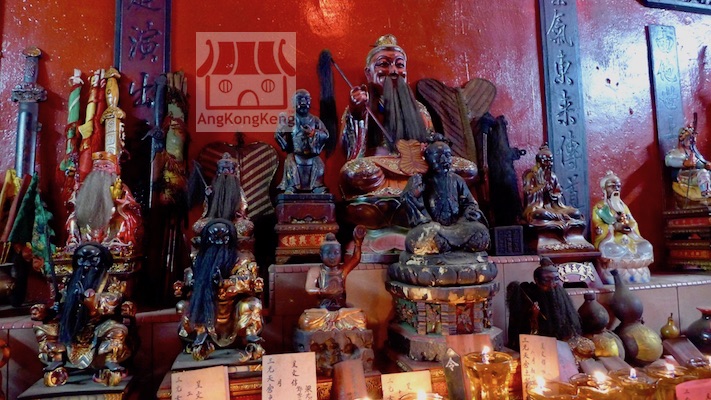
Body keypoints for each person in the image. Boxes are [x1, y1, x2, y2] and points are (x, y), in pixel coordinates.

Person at [339, 34, 477, 200]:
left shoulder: (419, 109)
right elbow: (353, 152)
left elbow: (431, 140)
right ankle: (413, 194)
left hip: (419, 167)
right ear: (369, 73)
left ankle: (414, 191)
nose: (393, 71)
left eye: (399, 65)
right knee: (354, 171)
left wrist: (430, 148)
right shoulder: (363, 105)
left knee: (468, 169)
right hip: (382, 168)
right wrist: (357, 114)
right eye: (384, 64)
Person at [31, 242, 134, 386]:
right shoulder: (70, 282)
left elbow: (113, 301)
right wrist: (49, 311)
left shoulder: (111, 282)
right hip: (72, 327)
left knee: (117, 331)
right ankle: (57, 359)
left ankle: (110, 360)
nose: (86, 265)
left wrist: (92, 303)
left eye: (92, 260)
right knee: (44, 330)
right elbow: (61, 305)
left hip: (98, 326)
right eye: (81, 259)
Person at [175, 218, 264, 361]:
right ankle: (200, 336)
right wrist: (187, 285)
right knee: (184, 306)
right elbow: (190, 278)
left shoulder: (243, 259)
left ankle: (251, 334)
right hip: (207, 305)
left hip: (233, 307)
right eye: (214, 239)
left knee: (253, 305)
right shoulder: (197, 259)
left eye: (224, 239)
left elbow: (247, 282)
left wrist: (224, 283)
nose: (219, 244)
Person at [401, 136, 490, 255]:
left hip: (458, 227)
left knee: (480, 231)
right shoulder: (421, 180)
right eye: (438, 156)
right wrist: (415, 194)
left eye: (447, 155)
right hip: (433, 228)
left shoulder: (457, 180)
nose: (444, 160)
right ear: (427, 158)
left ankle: (448, 246)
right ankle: (451, 247)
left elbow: (470, 204)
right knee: (424, 235)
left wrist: (469, 213)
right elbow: (407, 199)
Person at [506, 257, 593, 360]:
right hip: (540, 346)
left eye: (556, 279)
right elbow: (524, 331)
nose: (552, 284)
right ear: (537, 280)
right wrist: (534, 316)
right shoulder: (530, 296)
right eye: (547, 280)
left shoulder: (560, 294)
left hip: (561, 344)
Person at [64, 151, 142, 253]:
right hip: (88, 220)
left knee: (123, 219)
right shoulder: (84, 187)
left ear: (114, 169)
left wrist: (119, 201)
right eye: (97, 166)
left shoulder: (121, 187)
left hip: (112, 218)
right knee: (73, 219)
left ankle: (115, 243)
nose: (101, 169)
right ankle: (74, 242)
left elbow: (132, 205)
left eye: (106, 166)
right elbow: (73, 202)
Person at [298, 226, 368, 331]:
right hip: (322, 312)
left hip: (342, 312)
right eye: (328, 253)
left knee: (361, 319)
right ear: (321, 254)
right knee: (306, 321)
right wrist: (322, 291)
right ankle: (334, 325)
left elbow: (356, 258)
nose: (332, 256)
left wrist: (358, 243)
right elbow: (309, 288)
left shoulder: (343, 270)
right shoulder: (316, 270)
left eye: (336, 253)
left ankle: (333, 325)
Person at [591, 171, 653, 283]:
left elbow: (632, 222)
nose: (616, 189)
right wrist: (614, 227)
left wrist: (630, 228)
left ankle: (630, 263)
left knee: (647, 246)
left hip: (629, 240)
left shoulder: (623, 206)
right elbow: (598, 225)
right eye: (612, 186)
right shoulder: (600, 207)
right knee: (611, 249)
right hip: (612, 241)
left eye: (618, 186)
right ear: (604, 189)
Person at [275, 89, 329, 193]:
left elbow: (325, 134)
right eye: (299, 99)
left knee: (319, 165)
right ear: (293, 102)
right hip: (296, 155)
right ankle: (292, 186)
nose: (303, 102)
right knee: (290, 163)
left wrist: (313, 133)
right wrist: (280, 130)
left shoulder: (315, 120)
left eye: (306, 99)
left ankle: (317, 186)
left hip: (312, 156)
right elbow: (279, 136)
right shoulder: (290, 120)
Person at [192, 153, 253, 240]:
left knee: (246, 227)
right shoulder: (212, 188)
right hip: (214, 219)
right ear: (218, 171)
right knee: (198, 226)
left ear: (234, 172)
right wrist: (208, 196)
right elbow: (207, 209)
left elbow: (243, 204)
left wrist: (240, 213)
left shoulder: (237, 189)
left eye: (228, 169)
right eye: (223, 169)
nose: (225, 171)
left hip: (234, 220)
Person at [665, 124, 711, 201]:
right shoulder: (675, 152)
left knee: (706, 173)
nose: (691, 141)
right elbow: (668, 161)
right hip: (683, 177)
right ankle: (705, 193)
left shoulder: (693, 152)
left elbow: (700, 163)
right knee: (703, 173)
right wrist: (684, 163)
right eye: (689, 138)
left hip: (696, 175)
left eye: (692, 138)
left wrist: (706, 165)